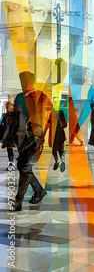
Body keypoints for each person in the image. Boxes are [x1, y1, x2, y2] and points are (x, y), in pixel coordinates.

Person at [13, 72, 52, 211]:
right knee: (23, 167)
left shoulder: (41, 97)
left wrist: (42, 139)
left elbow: (48, 119)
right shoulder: (19, 97)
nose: (23, 84)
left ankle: (18, 201)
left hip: (35, 139)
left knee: (24, 168)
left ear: (32, 82)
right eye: (22, 81)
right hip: (21, 139)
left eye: (26, 81)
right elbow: (14, 118)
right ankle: (38, 190)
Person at [1, 102, 16, 168]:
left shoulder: (7, 116)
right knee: (10, 150)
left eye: (8, 107)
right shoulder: (8, 116)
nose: (7, 108)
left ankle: (11, 164)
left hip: (11, 135)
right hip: (11, 136)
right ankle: (11, 163)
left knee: (10, 150)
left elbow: (6, 128)